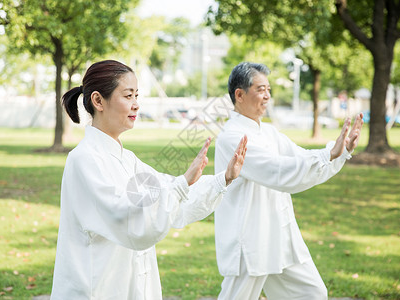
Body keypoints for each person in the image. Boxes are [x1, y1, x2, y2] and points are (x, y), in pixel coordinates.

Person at [50, 60, 248, 299]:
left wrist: (223, 179)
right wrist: (182, 184)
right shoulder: (83, 160)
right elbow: (124, 216)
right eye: (128, 96)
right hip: (97, 288)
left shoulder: (128, 160)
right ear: (98, 101)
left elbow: (171, 193)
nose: (136, 105)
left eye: (137, 95)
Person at [214, 62, 363, 299]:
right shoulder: (232, 138)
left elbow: (301, 157)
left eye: (268, 89)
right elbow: (279, 172)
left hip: (279, 237)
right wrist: (329, 154)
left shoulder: (269, 133)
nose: (267, 96)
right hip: (250, 239)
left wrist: (339, 151)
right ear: (239, 95)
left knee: (312, 293)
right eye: (260, 89)